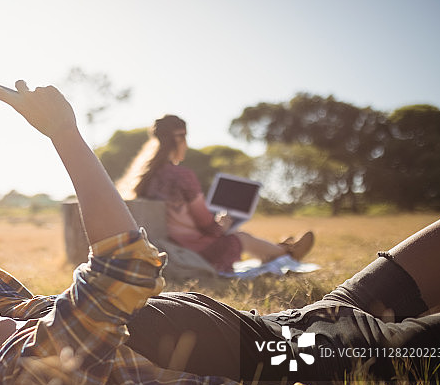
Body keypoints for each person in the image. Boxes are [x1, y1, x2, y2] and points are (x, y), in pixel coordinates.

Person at [0, 79, 440, 385]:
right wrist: (65, 133)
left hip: (295, 328)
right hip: (314, 369)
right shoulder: (21, 371)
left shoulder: (12, 311)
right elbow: (124, 265)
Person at [116, 114, 314, 272]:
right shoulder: (182, 176)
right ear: (180, 139)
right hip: (195, 250)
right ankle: (287, 253)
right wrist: (222, 223)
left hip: (169, 246)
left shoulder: (144, 177)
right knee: (239, 236)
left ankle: (280, 249)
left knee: (236, 235)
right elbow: (206, 225)